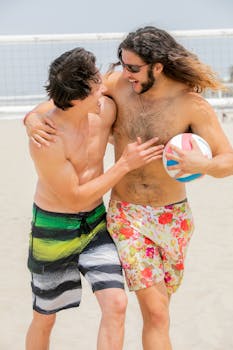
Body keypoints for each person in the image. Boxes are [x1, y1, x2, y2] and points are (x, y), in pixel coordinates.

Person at [24, 27, 233, 350]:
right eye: (122, 64)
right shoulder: (119, 85)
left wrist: (202, 164)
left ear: (158, 66)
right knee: (155, 312)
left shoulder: (192, 105)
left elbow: (227, 161)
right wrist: (31, 121)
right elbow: (62, 103)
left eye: (133, 67)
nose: (124, 73)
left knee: (160, 311)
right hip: (127, 216)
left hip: (174, 218)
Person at [24, 46, 164, 350]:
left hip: (95, 225)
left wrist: (28, 117)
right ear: (76, 97)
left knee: (116, 304)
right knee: (45, 316)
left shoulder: (104, 110)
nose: (104, 88)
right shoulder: (48, 139)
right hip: (54, 229)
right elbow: (74, 197)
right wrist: (125, 164)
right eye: (96, 84)